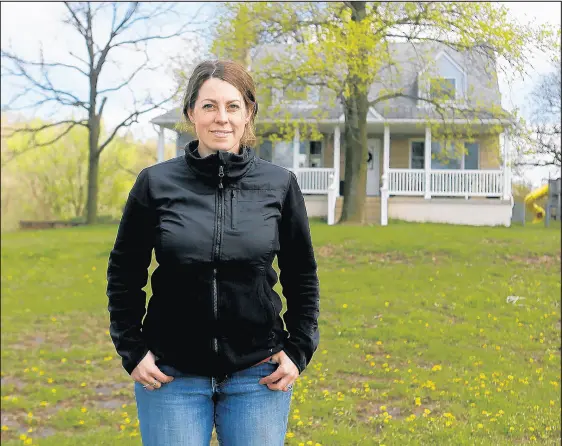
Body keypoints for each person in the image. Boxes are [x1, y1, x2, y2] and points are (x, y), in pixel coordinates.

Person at [106, 59, 320, 446]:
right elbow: (124, 273)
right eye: (209, 106)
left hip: (258, 374)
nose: (221, 118)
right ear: (191, 113)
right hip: (172, 376)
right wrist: (132, 349)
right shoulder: (155, 184)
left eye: (233, 106)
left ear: (249, 112)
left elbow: (301, 273)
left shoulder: (279, 185)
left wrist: (300, 348)